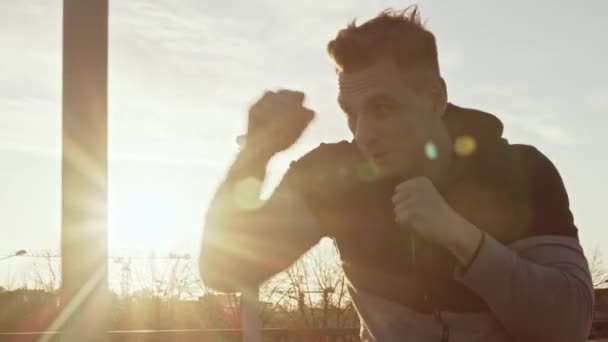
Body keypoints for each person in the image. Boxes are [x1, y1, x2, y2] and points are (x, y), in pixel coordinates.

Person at [200, 6, 593, 341]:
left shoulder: (520, 170)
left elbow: (569, 325)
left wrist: (464, 240)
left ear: (435, 98)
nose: (363, 134)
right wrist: (254, 155)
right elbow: (224, 271)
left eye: (383, 109)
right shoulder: (332, 178)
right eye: (350, 113)